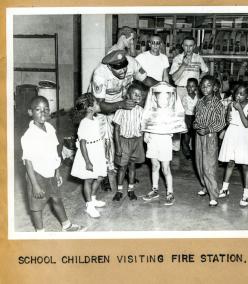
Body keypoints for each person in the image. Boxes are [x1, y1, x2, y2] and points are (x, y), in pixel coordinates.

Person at [91, 49, 158, 192]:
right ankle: (104, 175)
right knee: (105, 141)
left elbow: (146, 80)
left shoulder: (133, 63)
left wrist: (163, 86)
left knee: (126, 137)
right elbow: (99, 104)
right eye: (117, 68)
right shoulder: (100, 74)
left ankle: (125, 169)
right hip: (103, 106)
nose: (122, 71)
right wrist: (120, 105)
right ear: (109, 67)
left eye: (124, 66)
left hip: (123, 103)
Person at [21, 96, 86, 232]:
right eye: (38, 109)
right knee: (37, 207)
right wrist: (35, 185)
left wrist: (57, 172)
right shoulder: (28, 136)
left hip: (51, 172)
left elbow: (54, 152)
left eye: (46, 109)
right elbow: (28, 162)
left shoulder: (50, 128)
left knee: (57, 199)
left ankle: (66, 225)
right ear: (30, 112)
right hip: (37, 175)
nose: (43, 112)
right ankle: (40, 233)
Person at [142, 82, 186, 206]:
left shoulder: (171, 113)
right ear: (155, 98)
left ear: (170, 98)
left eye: (166, 98)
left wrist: (174, 132)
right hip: (153, 141)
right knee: (155, 166)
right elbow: (147, 122)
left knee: (165, 168)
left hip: (165, 141)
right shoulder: (151, 111)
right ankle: (155, 189)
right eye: (160, 97)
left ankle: (170, 192)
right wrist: (146, 133)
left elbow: (177, 125)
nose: (163, 100)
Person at [218, 84, 248, 207]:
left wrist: (240, 109)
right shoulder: (231, 104)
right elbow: (228, 119)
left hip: (244, 136)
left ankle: (246, 194)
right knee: (230, 162)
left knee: (245, 165)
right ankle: (225, 188)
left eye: (242, 94)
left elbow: (246, 124)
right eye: (237, 93)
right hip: (232, 134)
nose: (238, 96)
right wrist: (227, 119)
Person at [169, 36, 209, 151]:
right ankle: (176, 145)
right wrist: (183, 65)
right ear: (182, 46)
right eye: (186, 45)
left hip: (194, 91)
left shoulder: (198, 58)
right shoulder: (177, 58)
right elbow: (174, 78)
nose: (188, 48)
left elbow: (206, 70)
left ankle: (192, 146)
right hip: (181, 89)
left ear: (194, 46)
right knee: (178, 117)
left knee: (194, 117)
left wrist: (199, 82)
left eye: (191, 45)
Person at [71, 93, 107, 218]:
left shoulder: (95, 119)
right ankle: (89, 206)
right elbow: (82, 144)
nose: (99, 105)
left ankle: (93, 198)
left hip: (97, 150)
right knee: (89, 179)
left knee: (100, 176)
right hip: (88, 153)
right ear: (90, 108)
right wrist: (87, 161)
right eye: (96, 103)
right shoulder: (84, 123)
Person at [193, 75, 226, 207]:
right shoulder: (200, 102)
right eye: (203, 86)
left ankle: (213, 194)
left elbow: (222, 122)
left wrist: (208, 130)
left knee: (209, 166)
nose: (205, 88)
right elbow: (196, 118)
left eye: (208, 86)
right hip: (199, 136)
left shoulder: (217, 103)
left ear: (214, 87)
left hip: (210, 136)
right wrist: (195, 125)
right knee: (200, 163)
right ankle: (205, 186)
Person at [112, 83, 145, 201]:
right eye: (135, 94)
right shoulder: (121, 110)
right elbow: (116, 129)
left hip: (136, 142)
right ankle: (119, 191)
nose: (138, 97)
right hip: (123, 141)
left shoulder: (141, 111)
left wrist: (142, 143)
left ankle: (131, 190)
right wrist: (118, 147)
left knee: (132, 166)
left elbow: (143, 129)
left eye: (140, 95)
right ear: (128, 95)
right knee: (122, 167)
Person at [181, 78, 199, 159]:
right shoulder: (185, 98)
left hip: (196, 118)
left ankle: (195, 152)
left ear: (196, 87)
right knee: (186, 137)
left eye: (192, 86)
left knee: (195, 136)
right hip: (187, 118)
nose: (190, 88)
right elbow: (182, 110)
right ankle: (187, 153)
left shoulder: (198, 97)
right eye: (188, 86)